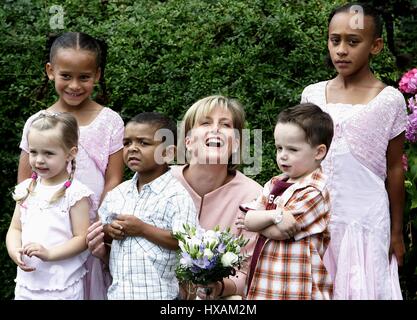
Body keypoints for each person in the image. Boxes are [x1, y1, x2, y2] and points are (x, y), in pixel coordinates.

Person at [301, 3, 406, 299]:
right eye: (335, 40)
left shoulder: (390, 100)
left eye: (353, 41)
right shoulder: (311, 95)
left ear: (376, 46)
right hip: (316, 217)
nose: (342, 50)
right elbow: (299, 158)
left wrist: (396, 231)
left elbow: (395, 168)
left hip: (366, 220)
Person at [17, 32, 125, 299]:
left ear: (97, 75)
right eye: (66, 75)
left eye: (84, 77)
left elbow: (113, 179)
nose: (75, 85)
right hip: (47, 232)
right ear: (50, 71)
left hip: (89, 231)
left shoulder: (110, 122)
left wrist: (96, 225)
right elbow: (24, 182)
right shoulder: (37, 122)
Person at [86, 112, 197, 299]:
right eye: (127, 143)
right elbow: (100, 228)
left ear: (168, 153)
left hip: (159, 294)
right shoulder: (118, 194)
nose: (132, 149)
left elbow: (185, 241)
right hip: (118, 293)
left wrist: (143, 229)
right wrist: (109, 229)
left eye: (143, 143)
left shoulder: (176, 195)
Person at [171, 95, 265, 299]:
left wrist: (220, 287)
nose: (215, 129)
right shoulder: (161, 182)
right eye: (205, 122)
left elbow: (248, 272)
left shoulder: (253, 196)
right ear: (188, 141)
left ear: (236, 144)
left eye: (226, 124)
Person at [236, 103, 334, 300]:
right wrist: (275, 215)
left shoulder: (314, 191)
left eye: (292, 149)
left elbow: (279, 233)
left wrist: (257, 221)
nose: (283, 155)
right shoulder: (275, 183)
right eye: (279, 147)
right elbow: (246, 219)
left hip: (296, 288)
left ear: (319, 152)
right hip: (265, 283)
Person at [6, 112, 92, 300]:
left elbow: (82, 238)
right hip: (27, 284)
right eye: (34, 152)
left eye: (49, 153)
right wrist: (13, 250)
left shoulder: (75, 193)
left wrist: (49, 253)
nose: (38, 160)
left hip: (62, 285)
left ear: (71, 153)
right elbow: (15, 228)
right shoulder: (26, 189)